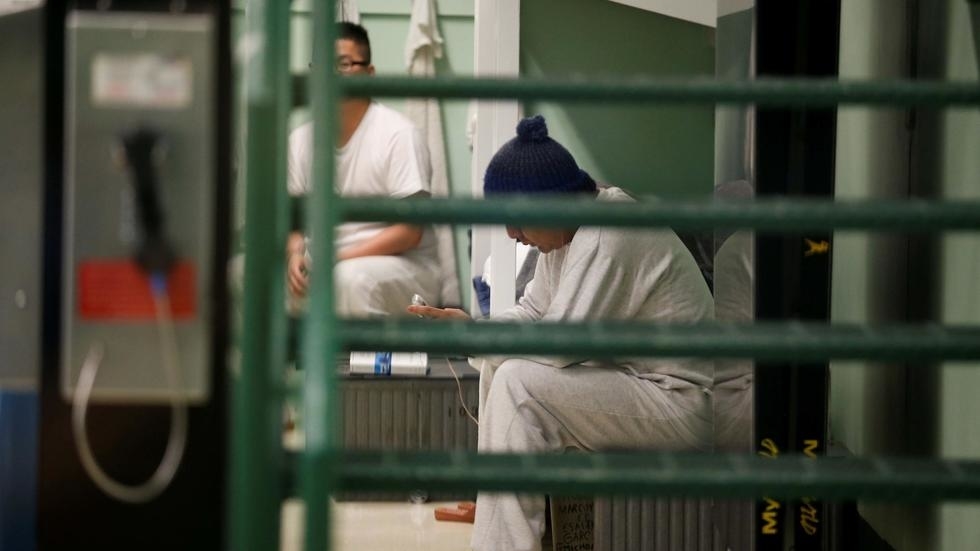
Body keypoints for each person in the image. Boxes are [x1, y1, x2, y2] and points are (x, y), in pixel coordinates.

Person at [408, 115, 715, 551]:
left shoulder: (610, 235)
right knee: (503, 368)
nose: (514, 236)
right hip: (640, 384)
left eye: (517, 222)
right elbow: (534, 312)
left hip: (679, 402)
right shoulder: (571, 234)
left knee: (518, 382)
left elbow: (558, 349)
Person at [286, 22, 441, 317]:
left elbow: (410, 232)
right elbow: (293, 224)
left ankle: (354, 364)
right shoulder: (300, 140)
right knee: (244, 273)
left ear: (369, 74)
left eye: (343, 64)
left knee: (349, 279)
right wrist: (295, 256)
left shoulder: (399, 134)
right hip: (322, 262)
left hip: (402, 264)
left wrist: (337, 258)